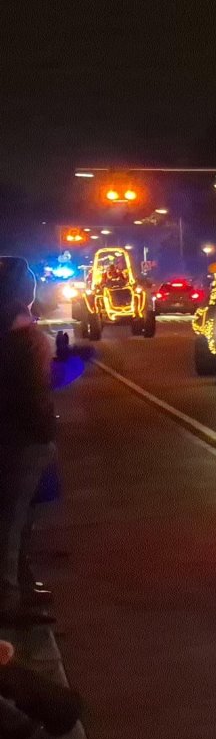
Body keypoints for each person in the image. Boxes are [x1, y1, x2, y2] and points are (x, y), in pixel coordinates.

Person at [0, 260, 59, 625]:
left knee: (18, 519)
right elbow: (31, 389)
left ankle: (20, 585)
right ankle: (8, 599)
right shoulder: (18, 328)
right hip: (20, 437)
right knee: (12, 520)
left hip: (17, 433)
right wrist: (44, 430)